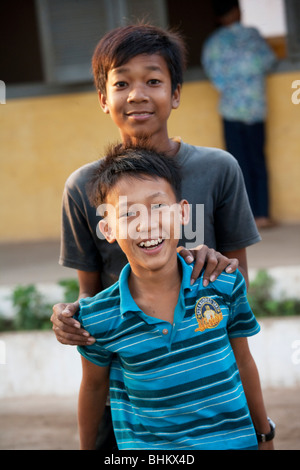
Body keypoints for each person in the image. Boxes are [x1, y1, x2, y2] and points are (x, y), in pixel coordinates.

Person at [51, 23, 261, 449]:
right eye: (122, 83)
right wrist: (68, 318)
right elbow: (89, 297)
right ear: (103, 98)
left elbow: (239, 281)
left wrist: (220, 265)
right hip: (131, 390)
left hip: (204, 374)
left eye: (153, 80)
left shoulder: (219, 169)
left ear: (176, 93)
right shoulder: (84, 187)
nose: (137, 94)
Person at [76, 144, 275, 450]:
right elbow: (93, 388)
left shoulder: (222, 284)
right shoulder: (99, 317)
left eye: (158, 207)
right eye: (129, 214)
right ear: (108, 228)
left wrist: (264, 435)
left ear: (183, 212)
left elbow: (243, 362)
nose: (147, 224)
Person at [201, 0, 277, 229]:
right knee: (257, 162)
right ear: (238, 12)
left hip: (231, 110)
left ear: (218, 18)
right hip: (255, 109)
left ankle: (247, 219)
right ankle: (262, 215)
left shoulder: (214, 43)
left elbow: (214, 76)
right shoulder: (253, 36)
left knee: (238, 166)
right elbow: (269, 61)